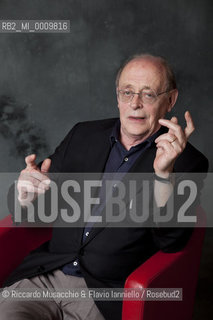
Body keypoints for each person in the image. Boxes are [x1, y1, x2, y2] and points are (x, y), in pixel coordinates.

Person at [1, 53, 208, 320]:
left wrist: (163, 174)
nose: (135, 103)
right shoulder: (83, 135)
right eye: (127, 92)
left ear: (170, 100)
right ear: (117, 96)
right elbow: (38, 200)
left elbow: (172, 241)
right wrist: (24, 195)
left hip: (103, 296)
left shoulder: (188, 162)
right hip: (45, 277)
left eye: (148, 94)